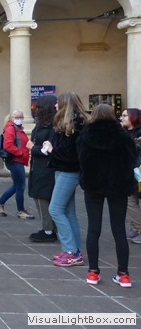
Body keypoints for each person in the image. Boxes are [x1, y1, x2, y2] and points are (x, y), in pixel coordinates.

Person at [78, 104, 137, 288]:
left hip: (93, 186)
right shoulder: (123, 136)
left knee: (93, 228)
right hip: (117, 186)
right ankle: (123, 274)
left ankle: (93, 272)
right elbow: (132, 160)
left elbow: (81, 160)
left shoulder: (86, 135)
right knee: (119, 230)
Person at [43, 91, 88, 267]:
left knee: (55, 209)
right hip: (62, 170)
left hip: (69, 171)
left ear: (65, 104)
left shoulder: (75, 126)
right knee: (68, 212)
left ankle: (71, 251)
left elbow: (71, 155)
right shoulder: (67, 123)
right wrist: (51, 146)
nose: (55, 105)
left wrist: (52, 150)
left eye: (58, 102)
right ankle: (73, 250)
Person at [27, 96, 58, 242]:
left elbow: (48, 149)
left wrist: (33, 148)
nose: (35, 109)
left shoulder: (53, 127)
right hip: (38, 166)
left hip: (46, 168)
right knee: (40, 197)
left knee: (42, 197)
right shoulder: (41, 124)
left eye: (38, 107)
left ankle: (48, 230)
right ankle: (49, 228)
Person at [0, 110, 34, 219]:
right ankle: (21, 210)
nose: (19, 119)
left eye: (21, 117)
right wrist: (20, 153)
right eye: (17, 117)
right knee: (20, 186)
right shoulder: (11, 128)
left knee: (17, 185)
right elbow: (8, 145)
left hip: (17, 160)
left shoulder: (18, 128)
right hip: (15, 161)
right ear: (11, 118)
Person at [120, 108, 141, 244]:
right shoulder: (124, 132)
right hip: (129, 172)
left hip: (137, 172)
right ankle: (135, 227)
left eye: (125, 115)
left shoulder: (138, 133)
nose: (121, 118)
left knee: (131, 200)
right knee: (131, 199)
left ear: (134, 117)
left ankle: (138, 228)